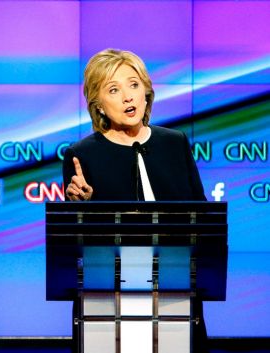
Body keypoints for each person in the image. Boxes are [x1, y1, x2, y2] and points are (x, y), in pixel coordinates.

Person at [63, 49, 208, 352]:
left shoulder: (175, 143)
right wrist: (82, 206)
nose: (128, 97)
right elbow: (75, 250)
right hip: (110, 299)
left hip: (174, 289)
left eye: (134, 85)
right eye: (113, 90)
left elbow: (203, 220)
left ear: (146, 92)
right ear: (98, 105)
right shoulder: (82, 155)